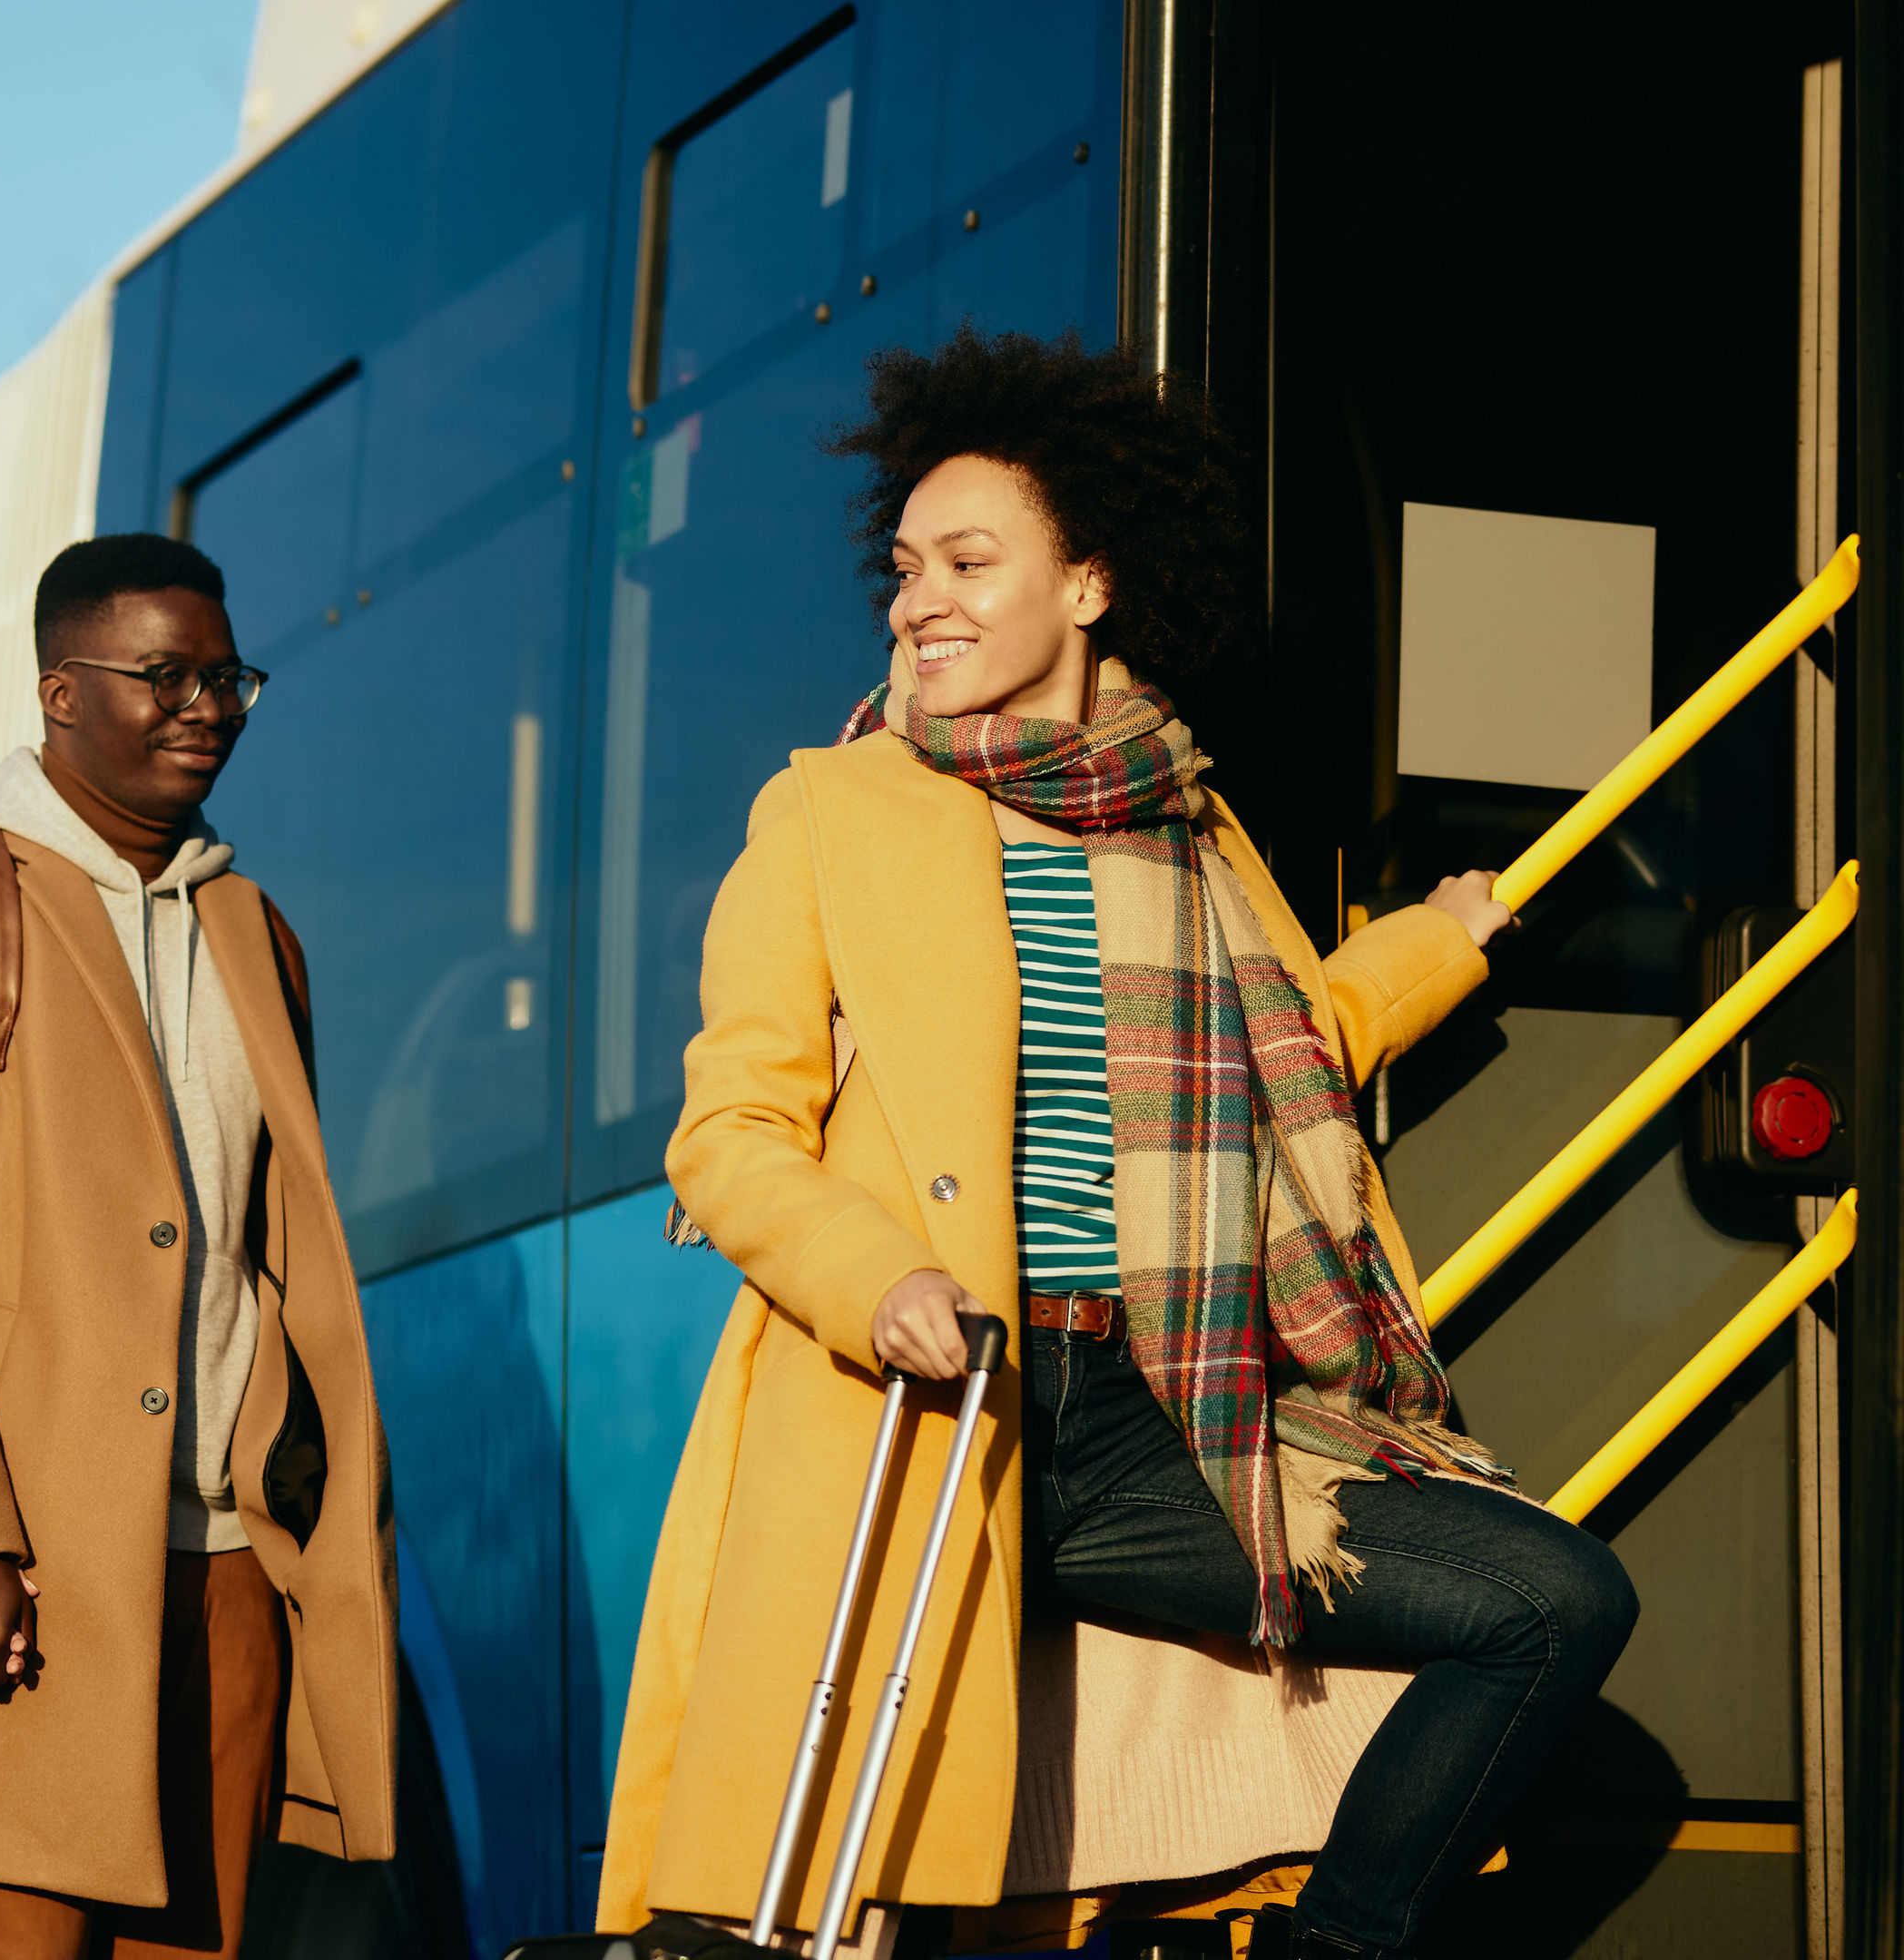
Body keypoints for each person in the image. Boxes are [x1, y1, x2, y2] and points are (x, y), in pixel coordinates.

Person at [594, 330, 1638, 1959]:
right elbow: (731, 1131)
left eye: (967, 560)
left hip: (1168, 1412)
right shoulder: (830, 813)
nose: (915, 598)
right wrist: (882, 1283)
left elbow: (1285, 1040)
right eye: (903, 566)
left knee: (1557, 1602)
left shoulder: (1187, 822)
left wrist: (1440, 941)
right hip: (939, 1397)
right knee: (889, 1883)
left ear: (1088, 583)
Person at [0, 534, 399, 1958]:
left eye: (226, 676)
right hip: (26, 1580)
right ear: (59, 691)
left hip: (222, 1570)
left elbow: (276, 1258)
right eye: (164, 675)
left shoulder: (256, 932)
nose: (205, 706)